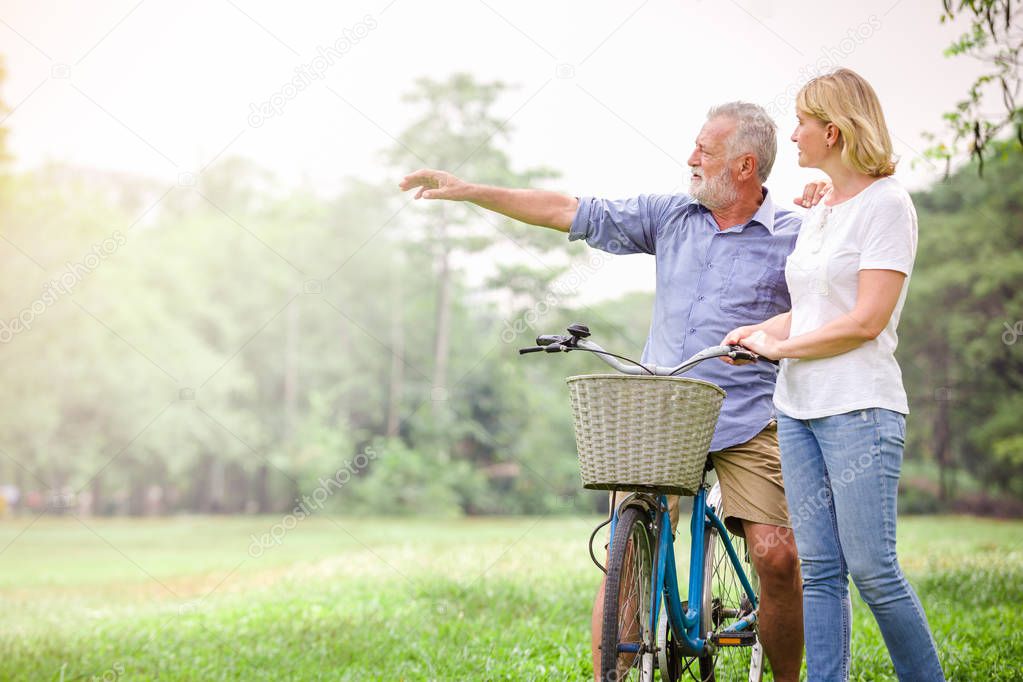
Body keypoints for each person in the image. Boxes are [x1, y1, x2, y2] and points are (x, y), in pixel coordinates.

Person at [401, 101, 811, 681]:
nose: (691, 159)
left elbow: (835, 296)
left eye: (706, 151)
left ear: (745, 166)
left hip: (748, 416)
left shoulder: (797, 236)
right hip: (664, 410)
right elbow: (567, 209)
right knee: (627, 549)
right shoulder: (672, 215)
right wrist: (470, 190)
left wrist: (830, 207)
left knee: (777, 555)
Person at [725, 69, 945, 681]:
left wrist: (780, 351)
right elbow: (815, 310)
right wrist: (763, 333)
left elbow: (866, 320)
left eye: (801, 122)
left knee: (874, 569)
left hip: (860, 409)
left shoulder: (888, 205)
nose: (791, 134)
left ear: (834, 129)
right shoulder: (821, 211)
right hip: (797, 411)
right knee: (819, 571)